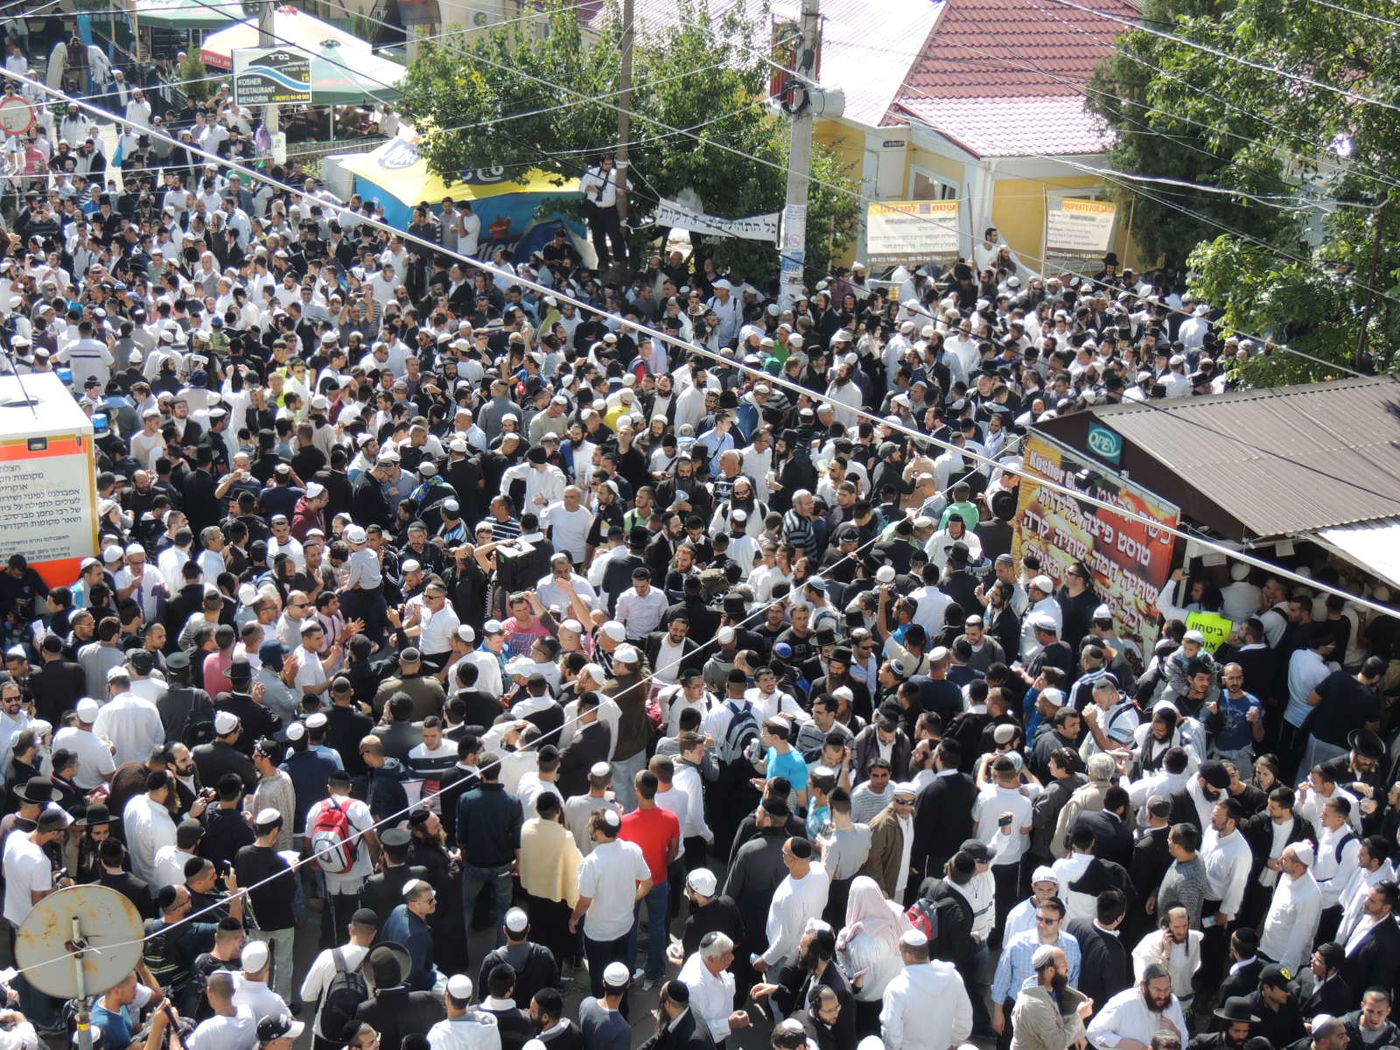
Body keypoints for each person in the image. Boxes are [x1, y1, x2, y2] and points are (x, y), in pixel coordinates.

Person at [880, 929, 972, 1050]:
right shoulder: (953, 977)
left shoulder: (896, 988)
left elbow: (891, 1031)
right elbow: (964, 1017)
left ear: (908, 955)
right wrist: (954, 1042)